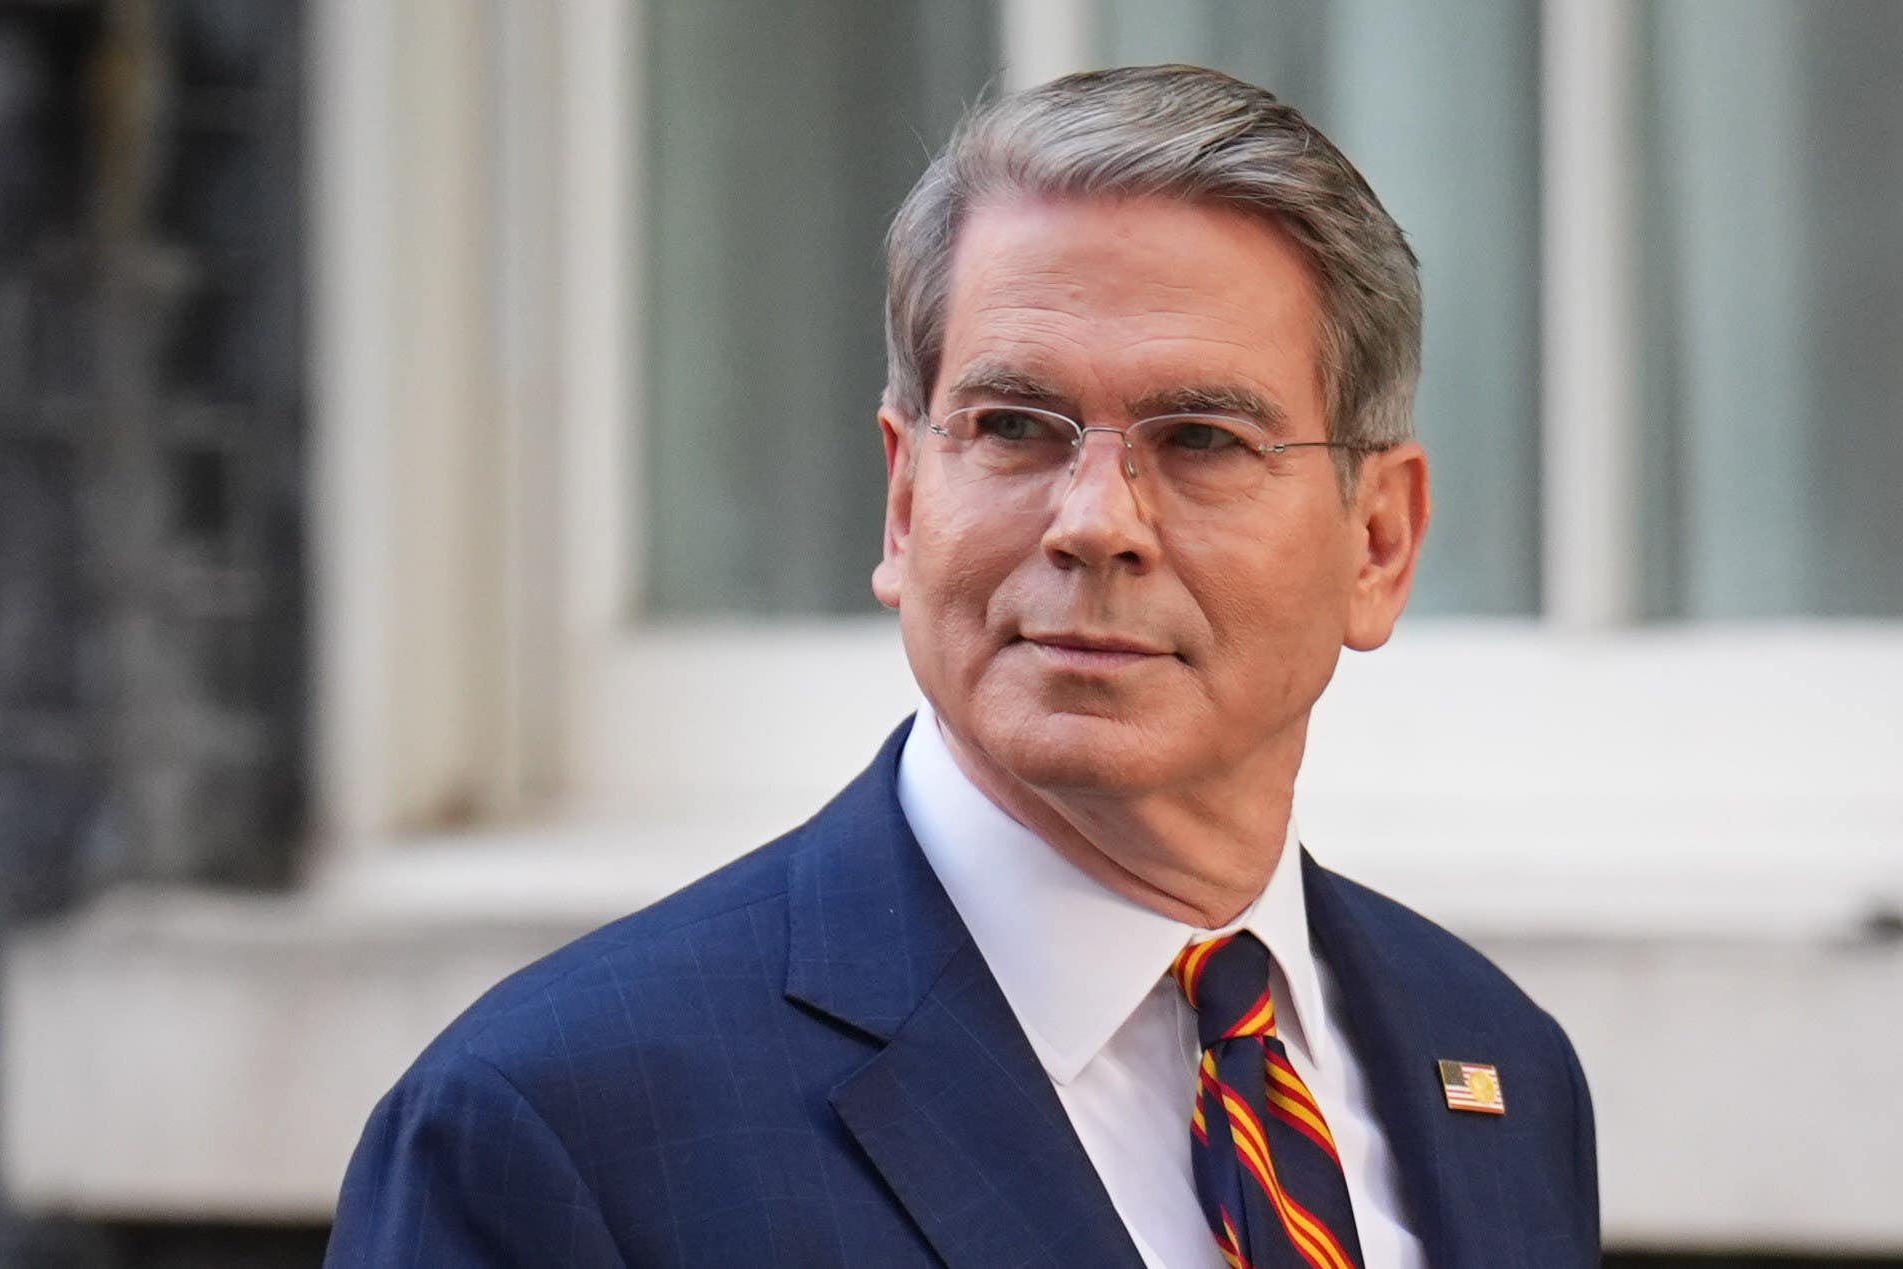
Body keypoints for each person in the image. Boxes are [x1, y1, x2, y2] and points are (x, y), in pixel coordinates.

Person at [325, 65, 1598, 1268]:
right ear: (902, 501)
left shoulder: (1492, 1062)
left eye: (1201, 438)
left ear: (1377, 543)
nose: (1092, 520)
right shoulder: (555, 1128)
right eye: (1013, 428)